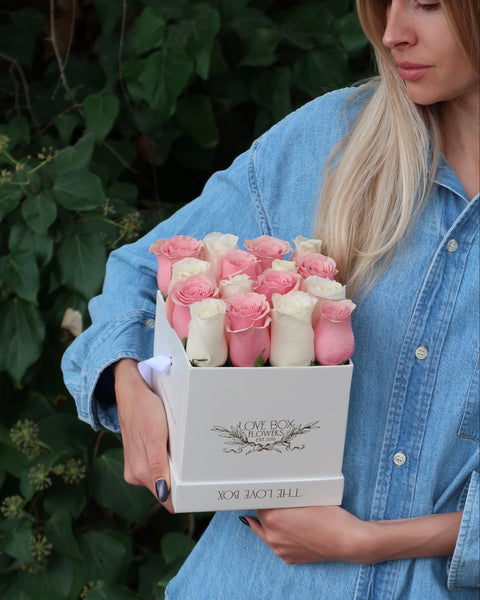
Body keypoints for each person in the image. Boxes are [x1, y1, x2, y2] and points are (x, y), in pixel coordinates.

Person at [61, 0, 479, 597]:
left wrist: (370, 542)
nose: (392, 33)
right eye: (384, 4)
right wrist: (131, 381)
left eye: (429, 4)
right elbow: (139, 274)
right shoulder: (326, 143)